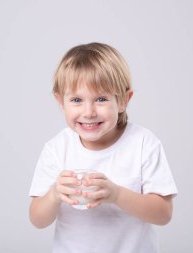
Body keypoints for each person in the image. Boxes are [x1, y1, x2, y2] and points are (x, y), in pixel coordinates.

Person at [29, 42, 178, 252]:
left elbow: (163, 214)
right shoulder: (57, 148)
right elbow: (37, 219)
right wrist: (54, 195)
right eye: (76, 100)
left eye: (101, 99)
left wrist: (116, 195)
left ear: (124, 101)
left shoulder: (143, 144)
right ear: (61, 102)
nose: (88, 112)